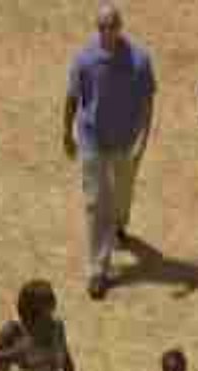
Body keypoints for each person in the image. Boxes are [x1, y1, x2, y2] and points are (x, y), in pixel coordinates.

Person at [63, 3, 156, 300]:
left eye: (112, 26)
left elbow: (148, 101)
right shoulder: (85, 60)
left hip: (125, 141)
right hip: (92, 140)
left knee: (121, 194)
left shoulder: (139, 61)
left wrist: (143, 139)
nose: (107, 32)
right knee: (95, 202)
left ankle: (118, 225)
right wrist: (66, 132)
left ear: (120, 27)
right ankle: (98, 270)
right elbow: (72, 97)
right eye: (102, 27)